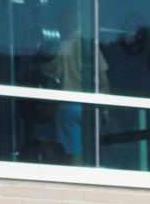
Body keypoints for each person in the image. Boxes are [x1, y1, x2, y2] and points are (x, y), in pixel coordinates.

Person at [43, 9, 110, 165]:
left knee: (73, 154)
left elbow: (46, 70)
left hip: (68, 108)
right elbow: (104, 81)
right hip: (91, 109)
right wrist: (105, 109)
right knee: (94, 154)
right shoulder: (91, 47)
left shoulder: (62, 48)